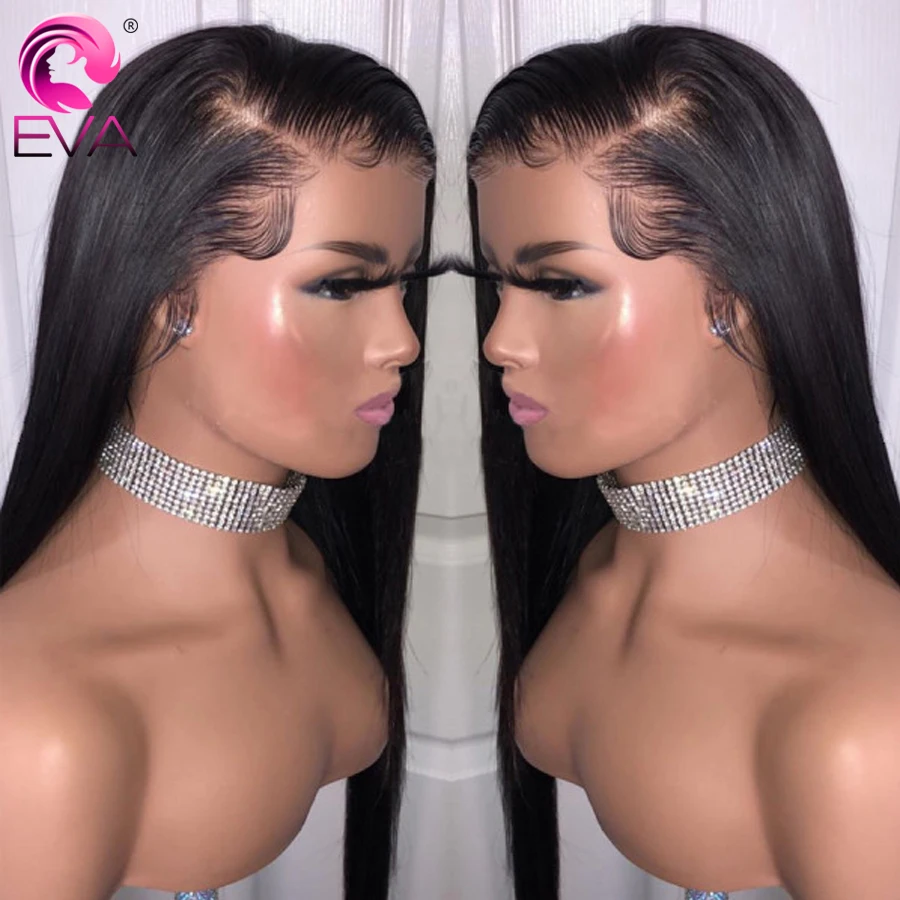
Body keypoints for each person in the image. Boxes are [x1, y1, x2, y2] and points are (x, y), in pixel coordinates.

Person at [0, 23, 450, 900]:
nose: (401, 340)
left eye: (403, 284)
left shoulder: (312, 561)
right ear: (170, 300)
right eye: (340, 285)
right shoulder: (37, 724)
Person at [456, 22, 900, 900]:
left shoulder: (864, 725)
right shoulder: (591, 561)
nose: (501, 340)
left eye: (562, 285)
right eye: (498, 283)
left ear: (732, 299)